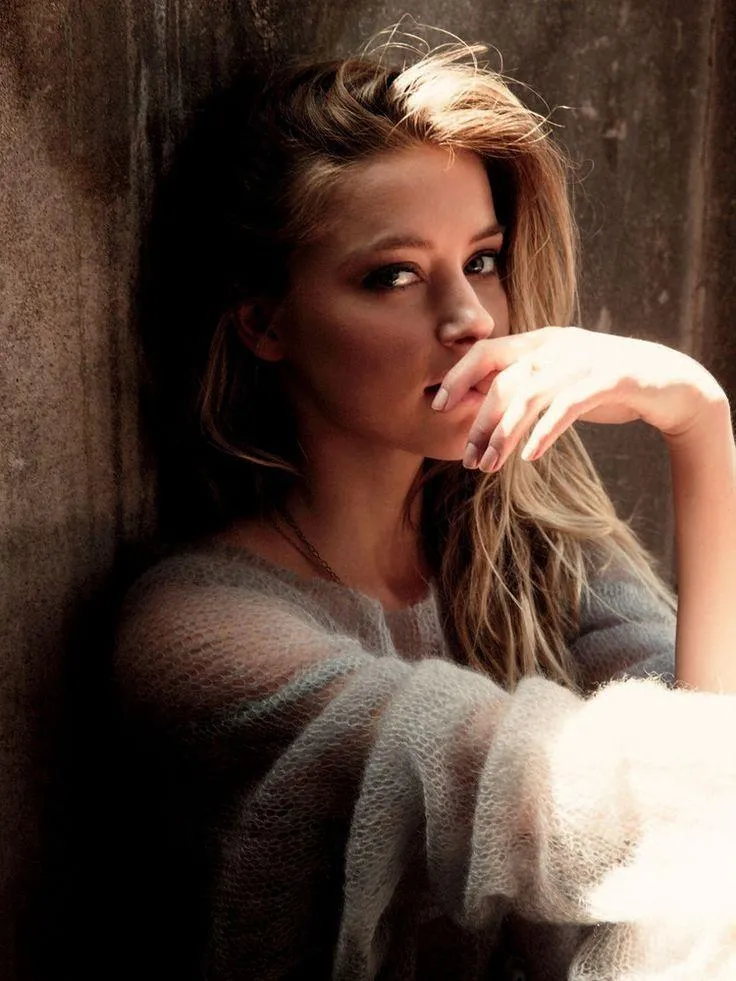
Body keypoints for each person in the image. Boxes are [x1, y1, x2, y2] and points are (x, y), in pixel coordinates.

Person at [114, 35, 736, 981]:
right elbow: (653, 802)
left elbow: (711, 796)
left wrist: (698, 425)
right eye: (393, 275)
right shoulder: (197, 631)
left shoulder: (525, 556)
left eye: (482, 259)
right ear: (266, 324)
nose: (471, 320)